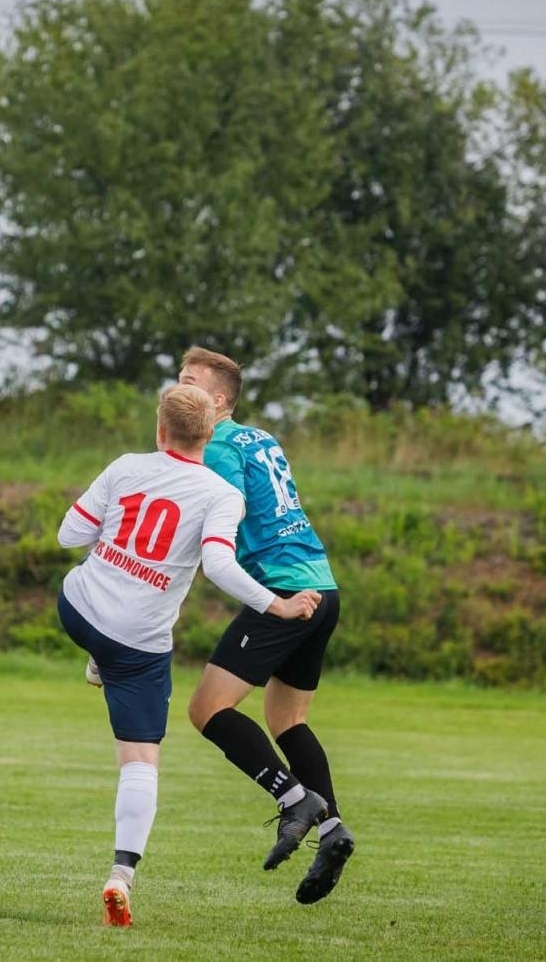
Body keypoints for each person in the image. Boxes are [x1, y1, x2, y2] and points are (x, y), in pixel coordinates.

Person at [56, 383, 321, 927]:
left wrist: (115, 539)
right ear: (209, 434)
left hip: (79, 611)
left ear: (160, 429)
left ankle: (96, 655)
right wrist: (279, 606)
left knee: (84, 594)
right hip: (136, 644)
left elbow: (69, 534)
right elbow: (221, 569)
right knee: (140, 760)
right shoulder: (221, 494)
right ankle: (121, 873)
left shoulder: (126, 465)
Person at [178, 346, 356, 905]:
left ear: (218, 400)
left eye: (190, 381)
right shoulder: (261, 437)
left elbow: (215, 525)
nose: (178, 389)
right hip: (321, 586)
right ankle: (333, 831)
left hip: (283, 590)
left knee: (207, 710)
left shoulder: (221, 447)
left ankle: (293, 799)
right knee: (287, 718)